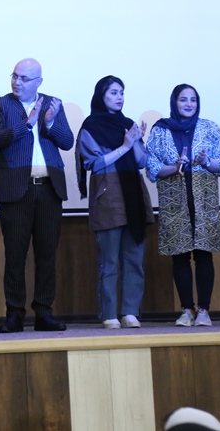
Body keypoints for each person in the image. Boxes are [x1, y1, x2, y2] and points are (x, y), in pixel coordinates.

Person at [0, 58, 74, 333]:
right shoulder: (0, 104)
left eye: (24, 78)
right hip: (15, 188)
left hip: (49, 188)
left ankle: (44, 313)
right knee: (15, 255)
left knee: (47, 255)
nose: (17, 82)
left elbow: (67, 142)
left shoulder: (53, 104)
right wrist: (27, 124)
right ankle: (14, 314)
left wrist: (49, 122)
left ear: (38, 82)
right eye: (15, 76)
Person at [146, 84, 220, 327]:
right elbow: (152, 166)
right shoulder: (160, 130)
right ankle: (187, 310)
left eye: (193, 99)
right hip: (174, 199)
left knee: (204, 255)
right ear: (175, 102)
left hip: (203, 199)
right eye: (183, 99)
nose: (189, 104)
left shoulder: (210, 128)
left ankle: (204, 310)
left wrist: (206, 161)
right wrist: (175, 167)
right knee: (179, 256)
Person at [76, 75, 154, 329]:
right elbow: (94, 163)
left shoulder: (128, 124)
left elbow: (142, 162)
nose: (119, 97)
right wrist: (124, 146)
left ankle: (130, 311)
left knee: (134, 259)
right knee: (109, 261)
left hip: (133, 194)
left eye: (121, 92)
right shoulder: (91, 126)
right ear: (101, 96)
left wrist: (137, 141)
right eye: (113, 92)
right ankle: (109, 313)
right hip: (108, 195)